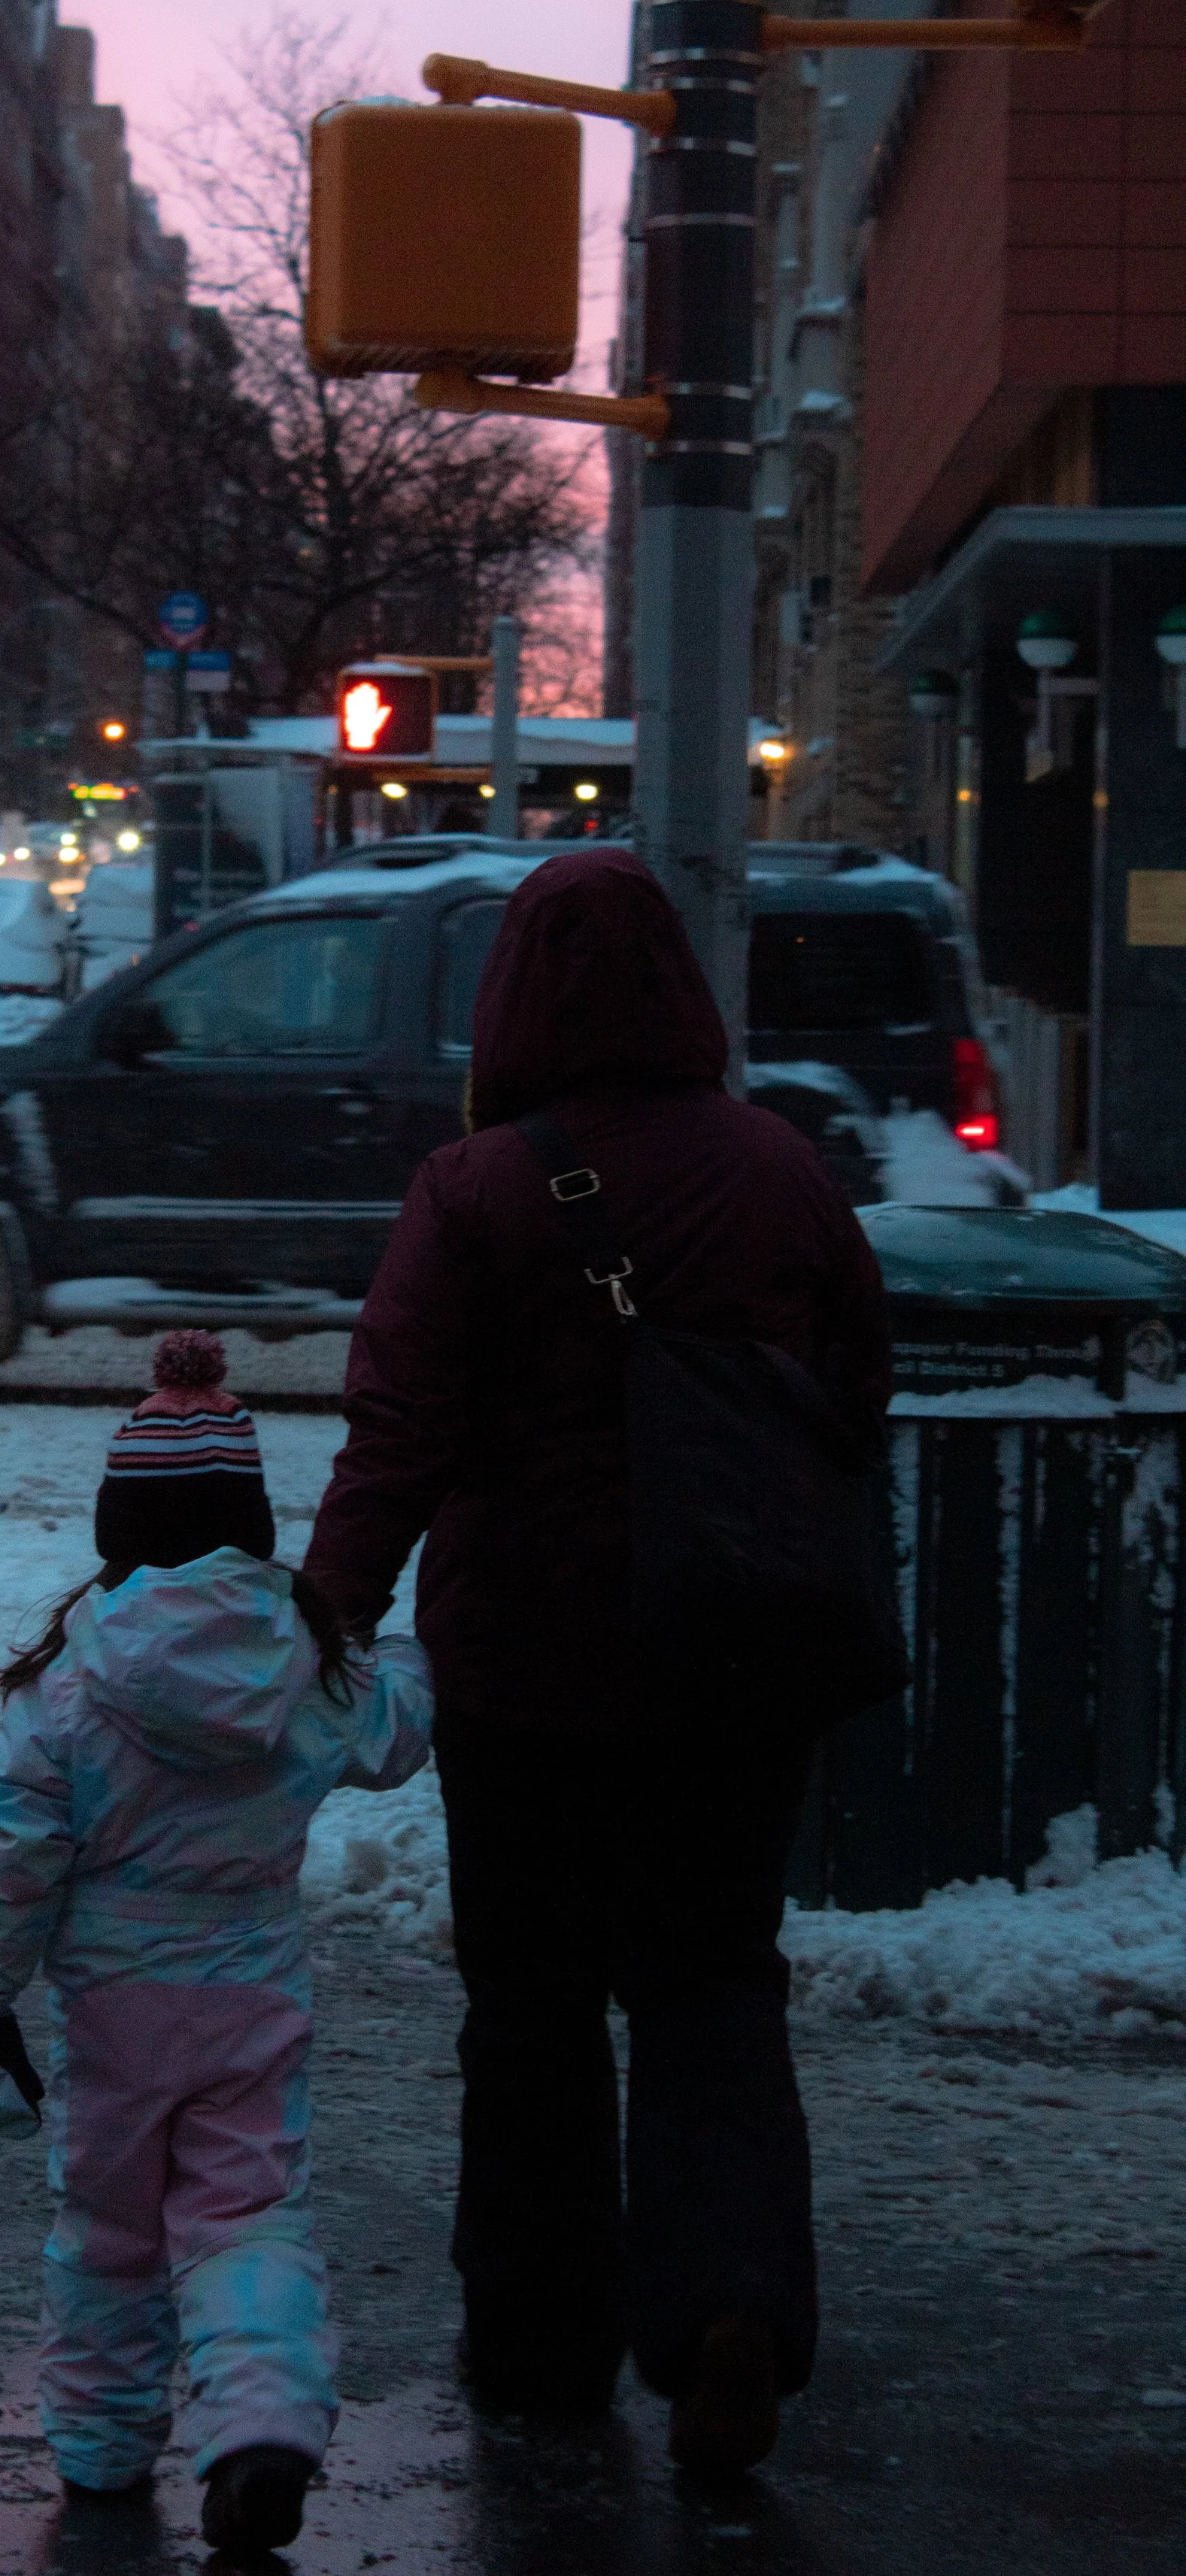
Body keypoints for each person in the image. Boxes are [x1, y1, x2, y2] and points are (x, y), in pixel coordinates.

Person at [303, 849, 891, 2474]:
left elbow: (398, 1432)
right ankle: (730, 2314)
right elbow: (855, 1381)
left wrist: (330, 1607)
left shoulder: (476, 1187)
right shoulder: (778, 1169)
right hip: (731, 1656)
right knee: (710, 1978)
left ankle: (538, 2342)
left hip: (528, 1672)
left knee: (532, 2003)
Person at [0, 1327, 433, 2556]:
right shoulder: (308, 1666)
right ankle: (262, 2423)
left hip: (115, 2014)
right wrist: (418, 1649)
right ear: (252, 1526)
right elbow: (396, 1734)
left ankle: (102, 2449)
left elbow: (9, 1851)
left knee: (108, 2229)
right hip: (252, 1994)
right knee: (250, 2212)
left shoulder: (64, 1686)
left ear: (118, 1530)